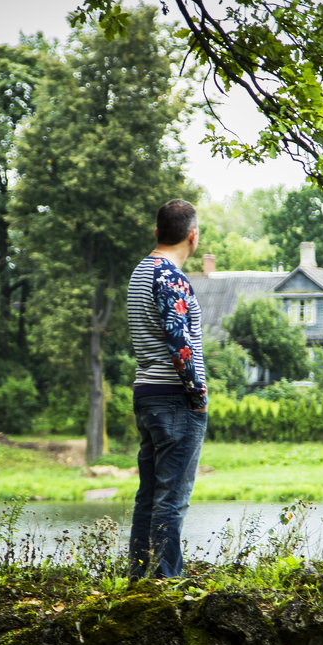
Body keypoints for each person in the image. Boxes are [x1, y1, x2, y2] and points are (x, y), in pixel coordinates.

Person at [126, 198, 208, 579]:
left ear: (157, 232)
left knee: (148, 497)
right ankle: (164, 584)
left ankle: (139, 579)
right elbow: (180, 343)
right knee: (172, 499)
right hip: (175, 399)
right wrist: (198, 394)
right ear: (192, 237)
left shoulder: (140, 272)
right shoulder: (171, 277)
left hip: (146, 394)